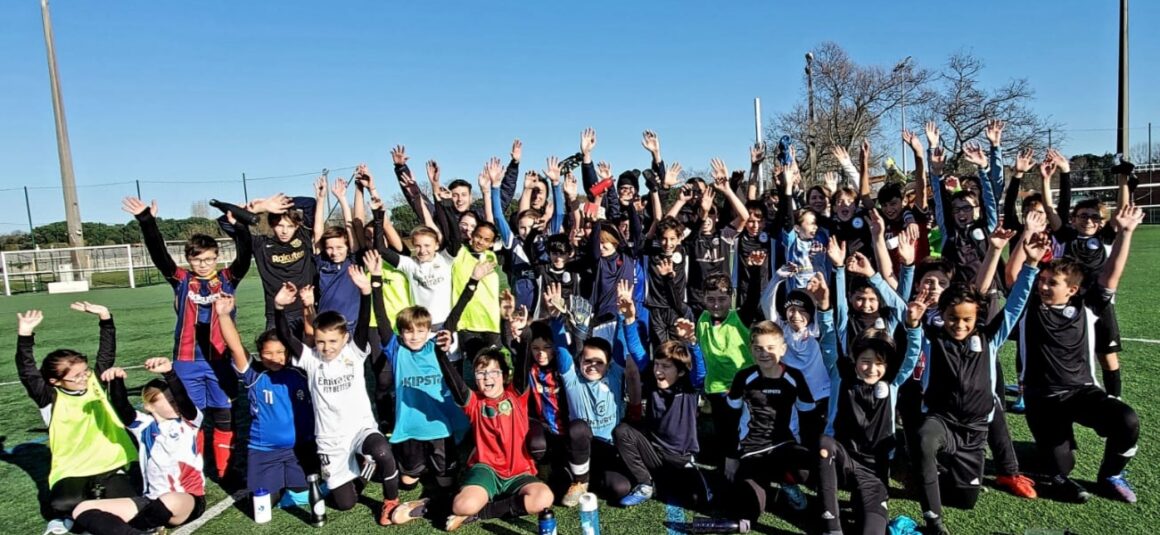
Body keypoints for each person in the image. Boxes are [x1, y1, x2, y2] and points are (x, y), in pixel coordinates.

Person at [910, 230, 1045, 535]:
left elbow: (1014, 308)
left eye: (966, 320)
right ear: (941, 315)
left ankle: (942, 470)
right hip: (941, 420)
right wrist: (912, 321)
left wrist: (1031, 266)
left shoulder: (989, 338)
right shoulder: (932, 338)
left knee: (965, 499)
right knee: (924, 440)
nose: (959, 325)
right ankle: (933, 519)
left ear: (977, 319)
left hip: (974, 432)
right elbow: (909, 321)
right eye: (953, 318)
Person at [1009, 204, 1144, 504]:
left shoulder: (1088, 307)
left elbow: (1110, 276)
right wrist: (1027, 236)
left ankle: (1111, 475)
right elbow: (1013, 276)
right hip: (1042, 398)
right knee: (1060, 467)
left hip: (1081, 392)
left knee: (1127, 421)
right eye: (1042, 281)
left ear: (1071, 290)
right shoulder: (1030, 308)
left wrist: (1126, 233)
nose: (1043, 286)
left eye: (1051, 283)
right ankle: (1044, 452)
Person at [122, 196, 253, 480]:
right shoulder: (181, 279)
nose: (203, 264)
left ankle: (225, 469)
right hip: (186, 361)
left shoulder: (228, 279)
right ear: (188, 259)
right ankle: (192, 467)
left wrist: (241, 227)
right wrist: (147, 221)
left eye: (208, 258)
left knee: (223, 415)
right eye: (197, 259)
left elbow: (246, 255)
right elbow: (159, 254)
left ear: (217, 256)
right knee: (188, 419)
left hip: (221, 361)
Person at [273, 258, 402, 525]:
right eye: (320, 341)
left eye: (332, 341)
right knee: (345, 503)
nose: (327, 347)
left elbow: (365, 323)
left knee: (381, 451)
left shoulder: (354, 353)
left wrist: (366, 292)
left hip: (360, 429)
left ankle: (391, 503)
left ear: (344, 338)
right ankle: (362, 471)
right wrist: (279, 307)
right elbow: (286, 336)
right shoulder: (310, 359)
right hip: (331, 440)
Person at [371, 250, 484, 520]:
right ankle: (408, 472)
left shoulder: (437, 346)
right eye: (408, 331)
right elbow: (382, 318)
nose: (414, 336)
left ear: (428, 330)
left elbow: (456, 312)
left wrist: (473, 281)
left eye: (420, 330)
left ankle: (431, 500)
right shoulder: (396, 350)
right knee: (407, 480)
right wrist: (375, 280)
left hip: (441, 427)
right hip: (409, 429)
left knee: (447, 482)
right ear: (401, 333)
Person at [16, 303, 138, 535]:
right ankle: (78, 514)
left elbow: (106, 354)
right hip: (71, 467)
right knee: (60, 504)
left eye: (85, 372)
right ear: (55, 381)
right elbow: (27, 371)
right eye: (77, 376)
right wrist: (25, 335)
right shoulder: (48, 397)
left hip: (110, 461)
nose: (84, 378)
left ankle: (87, 511)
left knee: (129, 501)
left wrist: (105, 318)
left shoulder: (95, 382)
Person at [433, 326, 554, 531]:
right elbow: (454, 383)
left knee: (544, 499)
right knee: (462, 505)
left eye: (493, 372)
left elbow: (524, 363)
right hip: (486, 470)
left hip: (519, 471)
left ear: (504, 375)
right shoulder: (474, 403)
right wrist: (440, 353)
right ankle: (462, 508)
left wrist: (525, 336)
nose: (487, 378)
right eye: (481, 373)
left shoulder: (516, 395)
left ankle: (480, 513)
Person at [72, 357, 207, 535]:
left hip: (186, 501)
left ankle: (133, 527)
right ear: (149, 406)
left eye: (174, 398)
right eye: (167, 400)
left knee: (169, 501)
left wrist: (169, 373)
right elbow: (121, 407)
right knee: (81, 509)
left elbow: (184, 400)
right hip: (150, 501)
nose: (174, 402)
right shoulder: (143, 426)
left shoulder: (190, 422)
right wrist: (116, 380)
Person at [818, 326, 920, 535]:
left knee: (873, 531)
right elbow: (829, 343)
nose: (872, 368)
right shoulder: (842, 378)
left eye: (880, 362)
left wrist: (914, 327)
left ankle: (860, 502)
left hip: (873, 473)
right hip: (844, 461)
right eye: (865, 361)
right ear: (854, 360)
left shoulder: (892, 384)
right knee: (825, 444)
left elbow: (911, 354)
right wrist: (825, 309)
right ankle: (832, 527)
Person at [218, 295, 315, 510]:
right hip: (265, 452)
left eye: (280, 352)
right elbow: (235, 346)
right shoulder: (254, 375)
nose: (275, 358)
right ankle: (276, 485)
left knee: (305, 496)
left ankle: (291, 484)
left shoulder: (301, 371)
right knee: (262, 506)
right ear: (260, 354)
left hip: (299, 450)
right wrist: (223, 315)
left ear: (288, 352)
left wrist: (308, 305)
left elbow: (310, 337)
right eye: (268, 353)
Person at [613, 287, 707, 508]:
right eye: (657, 365)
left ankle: (671, 480)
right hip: (653, 451)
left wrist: (692, 342)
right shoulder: (652, 379)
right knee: (622, 431)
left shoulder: (689, 386)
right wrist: (629, 319)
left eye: (666, 367)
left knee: (698, 501)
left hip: (680, 458)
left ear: (681, 371)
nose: (658, 371)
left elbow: (700, 371)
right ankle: (645, 483)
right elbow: (636, 350)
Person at [724, 318, 822, 518]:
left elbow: (809, 417)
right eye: (758, 348)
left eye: (771, 347)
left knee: (805, 471)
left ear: (783, 349)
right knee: (750, 510)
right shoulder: (744, 378)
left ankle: (787, 481)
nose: (764, 353)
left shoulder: (794, 377)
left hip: (783, 445)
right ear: (751, 349)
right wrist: (731, 456)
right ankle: (766, 485)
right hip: (752, 450)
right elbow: (730, 418)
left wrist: (809, 451)